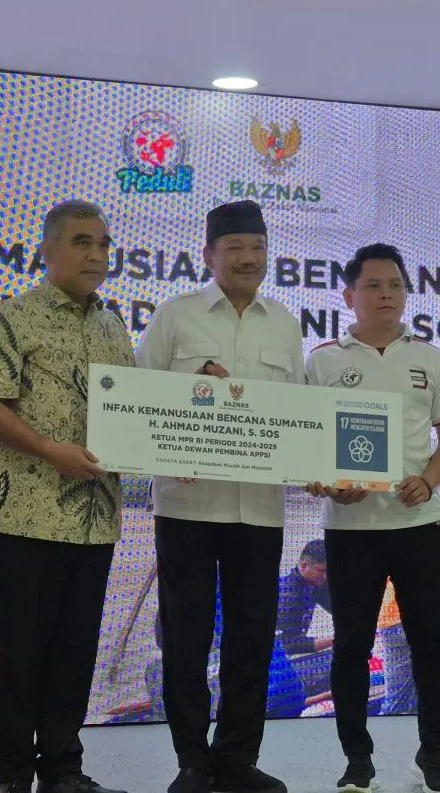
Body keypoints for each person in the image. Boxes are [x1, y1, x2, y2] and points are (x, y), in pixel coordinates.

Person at [136, 200, 304, 793]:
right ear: (209, 255)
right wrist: (184, 403)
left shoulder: (284, 323)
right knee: (185, 636)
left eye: (258, 247)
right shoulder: (175, 316)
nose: (248, 258)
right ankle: (192, 761)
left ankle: (236, 758)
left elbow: (297, 414)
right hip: (187, 505)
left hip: (258, 507)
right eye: (235, 248)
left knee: (253, 636)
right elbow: (139, 400)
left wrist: (315, 465)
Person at [0, 201, 134, 793]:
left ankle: (64, 768)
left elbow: (136, 410)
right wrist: (47, 449)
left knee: (75, 651)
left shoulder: (113, 325)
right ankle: (14, 775)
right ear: (49, 250)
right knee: (23, 652)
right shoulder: (14, 318)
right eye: (83, 242)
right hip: (25, 515)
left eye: (104, 244)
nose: (97, 255)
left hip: (95, 518)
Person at [305, 243, 440, 793]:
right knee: (352, 646)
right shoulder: (324, 360)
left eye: (395, 284)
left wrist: (431, 478)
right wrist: (325, 481)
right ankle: (358, 761)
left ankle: (434, 758)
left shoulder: (429, 358)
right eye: (373, 285)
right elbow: (305, 441)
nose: (387, 294)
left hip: (420, 526)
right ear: (349, 295)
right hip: (350, 531)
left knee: (430, 644)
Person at [275, 539, 332, 659]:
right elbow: (289, 644)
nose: (326, 576)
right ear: (304, 566)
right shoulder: (288, 595)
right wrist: (336, 640)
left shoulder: (315, 583)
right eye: (321, 570)